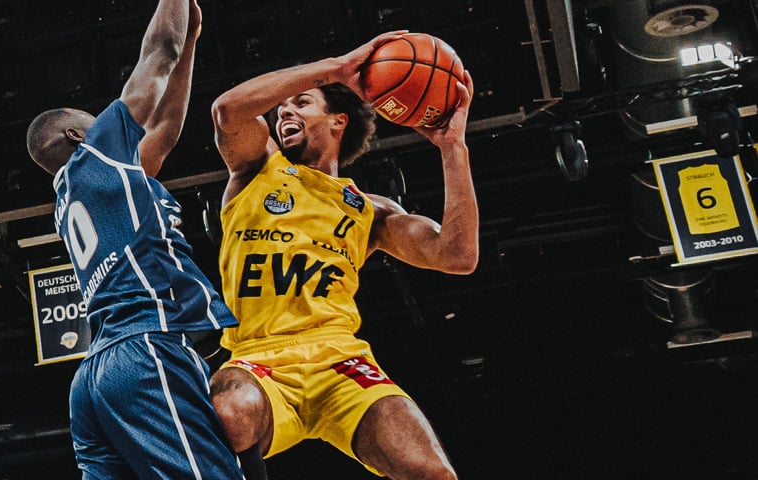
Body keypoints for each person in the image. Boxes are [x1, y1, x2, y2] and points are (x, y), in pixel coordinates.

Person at [208, 31, 478, 480]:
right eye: (282, 107)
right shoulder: (256, 168)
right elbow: (228, 110)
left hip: (340, 359)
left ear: (338, 121)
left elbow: (457, 255)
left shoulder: (370, 210)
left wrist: (453, 148)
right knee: (229, 413)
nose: (284, 111)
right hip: (260, 356)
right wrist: (335, 68)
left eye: (302, 103)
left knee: (432, 473)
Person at [25, 1, 252, 478]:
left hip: (94, 376)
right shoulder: (97, 156)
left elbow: (165, 132)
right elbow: (157, 54)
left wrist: (191, 43)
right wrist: (176, 22)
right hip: (145, 348)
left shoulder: (81, 193)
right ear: (75, 133)